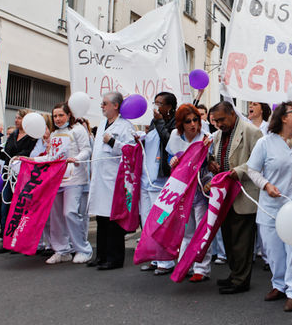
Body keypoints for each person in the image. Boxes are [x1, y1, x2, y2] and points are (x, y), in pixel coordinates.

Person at [246, 102, 292, 312]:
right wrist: (266, 185)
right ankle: (279, 284)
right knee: (274, 252)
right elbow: (252, 170)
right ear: (283, 118)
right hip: (271, 208)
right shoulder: (265, 143)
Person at [208, 100, 262, 295]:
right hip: (224, 195)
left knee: (242, 241)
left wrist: (236, 172)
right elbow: (216, 157)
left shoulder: (251, 131)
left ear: (232, 113)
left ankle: (241, 280)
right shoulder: (218, 135)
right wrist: (212, 164)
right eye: (216, 121)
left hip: (243, 193)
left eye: (222, 119)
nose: (219, 124)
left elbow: (259, 162)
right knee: (228, 238)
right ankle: (234, 274)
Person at [88, 92, 135, 270]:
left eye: (105, 103)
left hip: (114, 179)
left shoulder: (125, 126)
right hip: (100, 178)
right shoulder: (101, 124)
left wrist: (113, 142)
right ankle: (101, 255)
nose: (102, 106)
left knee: (113, 220)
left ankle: (114, 258)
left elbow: (131, 150)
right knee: (101, 218)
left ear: (116, 106)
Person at [166, 103, 212, 282]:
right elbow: (170, 156)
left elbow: (211, 162)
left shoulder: (206, 136)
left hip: (201, 190)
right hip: (182, 191)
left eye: (195, 120)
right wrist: (173, 161)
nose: (193, 124)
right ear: (181, 124)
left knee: (202, 230)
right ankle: (186, 264)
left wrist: (208, 151)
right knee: (187, 231)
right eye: (188, 121)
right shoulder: (175, 137)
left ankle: (202, 268)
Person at [46, 102, 93, 265]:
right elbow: (50, 156)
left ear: (69, 115)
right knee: (56, 216)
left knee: (70, 213)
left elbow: (86, 150)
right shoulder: (53, 135)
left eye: (61, 115)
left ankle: (83, 249)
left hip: (75, 179)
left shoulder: (79, 130)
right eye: (55, 116)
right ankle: (62, 250)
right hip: (56, 180)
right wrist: (29, 160)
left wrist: (77, 159)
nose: (58, 119)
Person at [138, 91, 178, 274]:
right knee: (147, 220)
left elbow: (169, 141)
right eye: (155, 102)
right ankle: (154, 257)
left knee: (161, 220)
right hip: (147, 177)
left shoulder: (175, 122)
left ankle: (166, 260)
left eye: (160, 103)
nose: (156, 106)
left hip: (161, 179)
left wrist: (161, 121)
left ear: (169, 107)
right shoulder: (154, 122)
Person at [0, 109, 37, 254]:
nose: (16, 120)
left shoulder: (32, 137)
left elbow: (30, 154)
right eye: (16, 118)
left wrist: (19, 157)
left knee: (19, 207)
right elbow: (5, 153)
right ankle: (6, 238)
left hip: (22, 175)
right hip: (8, 174)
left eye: (19, 118)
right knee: (4, 205)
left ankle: (18, 239)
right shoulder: (13, 135)